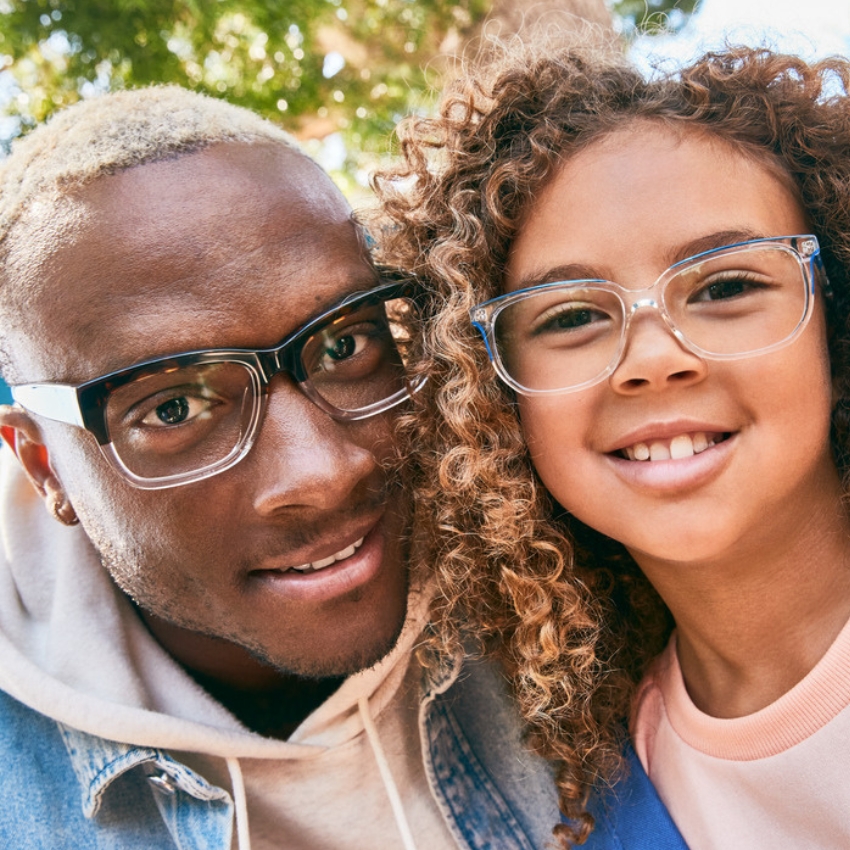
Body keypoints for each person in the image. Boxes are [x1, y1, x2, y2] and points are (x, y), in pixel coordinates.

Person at [0, 85, 561, 849]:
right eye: (173, 409)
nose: (324, 473)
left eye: (343, 345)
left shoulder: (559, 579)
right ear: (46, 466)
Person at [374, 41, 850, 849]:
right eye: (569, 316)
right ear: (491, 403)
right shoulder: (608, 803)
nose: (654, 357)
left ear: (834, 326)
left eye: (726, 286)